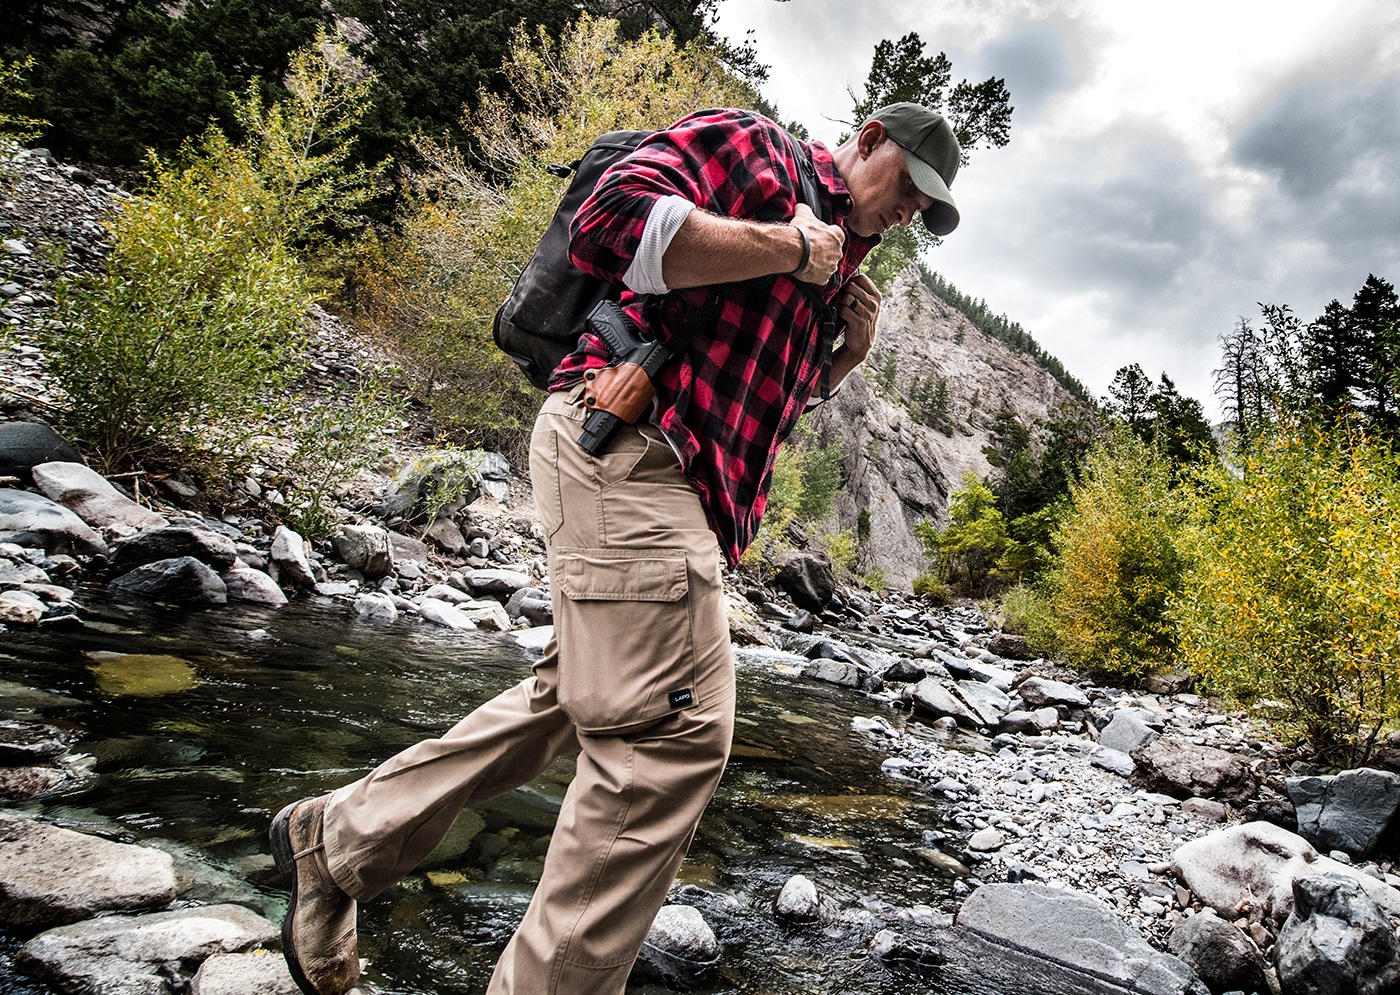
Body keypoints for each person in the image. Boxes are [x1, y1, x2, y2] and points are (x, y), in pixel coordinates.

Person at [269, 101, 961, 995]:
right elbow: (615, 215)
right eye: (909, 184)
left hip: (673, 487)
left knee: (575, 698)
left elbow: (760, 414)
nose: (911, 211)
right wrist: (789, 247)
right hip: (622, 449)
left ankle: (337, 844)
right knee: (672, 730)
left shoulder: (841, 272)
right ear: (867, 142)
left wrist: (842, 360)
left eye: (926, 208)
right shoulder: (764, 155)